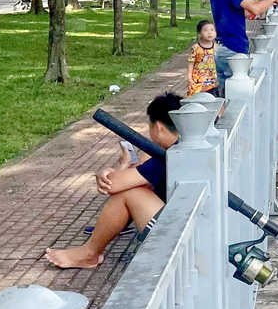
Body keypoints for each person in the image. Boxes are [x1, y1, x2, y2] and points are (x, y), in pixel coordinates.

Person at [45, 93, 182, 269]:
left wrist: (124, 164)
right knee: (134, 187)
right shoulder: (183, 146)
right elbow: (141, 175)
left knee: (128, 193)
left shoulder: (171, 155)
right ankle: (89, 252)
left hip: (181, 237)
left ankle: (90, 253)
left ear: (159, 128)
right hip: (195, 225)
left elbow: (115, 184)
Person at [188, 19, 219, 97]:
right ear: (200, 34)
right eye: (205, 30)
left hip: (212, 79)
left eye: (212, 30)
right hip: (198, 81)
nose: (209, 33)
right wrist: (189, 79)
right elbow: (191, 63)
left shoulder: (217, 47)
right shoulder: (196, 48)